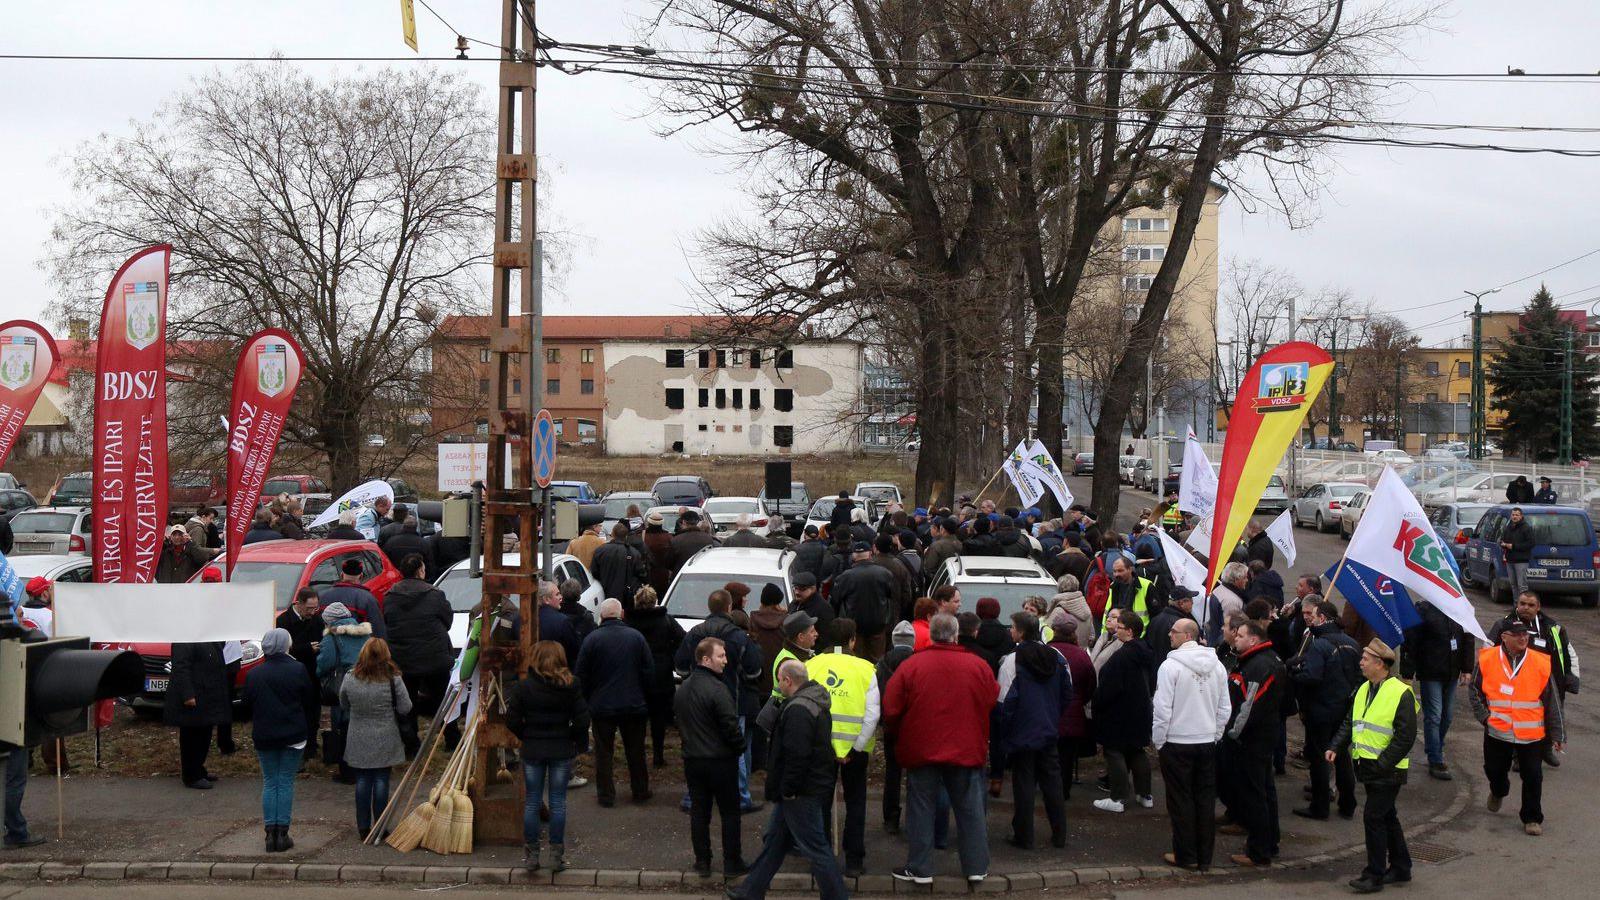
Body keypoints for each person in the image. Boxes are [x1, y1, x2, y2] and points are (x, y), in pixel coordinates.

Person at [884, 613, 996, 886]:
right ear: (957, 634)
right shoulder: (978, 665)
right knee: (970, 809)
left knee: (921, 808)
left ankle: (920, 867)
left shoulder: (912, 666)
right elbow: (992, 698)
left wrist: (900, 733)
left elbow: (891, 707)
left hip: (922, 748)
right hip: (966, 748)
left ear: (931, 635)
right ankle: (976, 866)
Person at [730, 660, 848, 900]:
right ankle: (750, 891)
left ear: (787, 680)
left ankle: (837, 896)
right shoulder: (813, 701)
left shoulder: (798, 710)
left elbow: (797, 755)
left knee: (815, 848)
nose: (778, 686)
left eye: (779, 681)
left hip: (800, 792)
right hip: (805, 788)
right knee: (775, 843)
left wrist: (788, 789)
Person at [1328, 639, 1417, 893]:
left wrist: (1383, 763)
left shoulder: (1400, 692)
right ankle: (1401, 866)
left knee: (1374, 817)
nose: (1361, 663)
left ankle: (1374, 874)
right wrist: (1335, 745)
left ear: (1380, 664)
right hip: (1368, 766)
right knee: (1387, 816)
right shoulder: (1364, 688)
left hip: (1387, 770)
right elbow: (1351, 720)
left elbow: (1405, 736)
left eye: (1365, 659)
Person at [674, 589, 765, 813]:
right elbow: (754, 671)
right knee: (738, 752)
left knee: (694, 749)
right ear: (729, 608)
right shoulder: (738, 636)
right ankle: (741, 797)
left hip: (698, 703)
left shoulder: (694, 634)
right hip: (733, 701)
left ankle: (692, 797)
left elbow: (680, 667)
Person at [1472, 620, 1564, 837]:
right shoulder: (1488, 658)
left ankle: (1532, 817)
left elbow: (1552, 701)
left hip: (1531, 734)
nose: (1523, 638)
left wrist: (1557, 733)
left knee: (1533, 775)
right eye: (1517, 634)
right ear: (1504, 637)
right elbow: (1475, 691)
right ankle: (1498, 790)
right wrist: (1485, 717)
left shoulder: (1539, 662)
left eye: (1525, 634)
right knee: (1494, 770)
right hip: (1497, 730)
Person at [1152, 618, 1231, 870]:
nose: (1169, 635)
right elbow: (1224, 707)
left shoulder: (1169, 667)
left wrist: (1159, 740)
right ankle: (1204, 856)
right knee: (1205, 799)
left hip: (1177, 741)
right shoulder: (1217, 666)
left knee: (1180, 799)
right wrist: (1215, 733)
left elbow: (1162, 708)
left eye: (1173, 631)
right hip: (1206, 740)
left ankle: (1185, 854)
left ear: (1187, 636)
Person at [805, 618, 882, 877]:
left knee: (820, 803)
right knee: (856, 801)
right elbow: (872, 715)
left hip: (819, 750)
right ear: (852, 640)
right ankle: (854, 861)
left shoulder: (810, 665)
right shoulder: (866, 669)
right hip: (854, 751)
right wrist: (854, 748)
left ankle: (821, 859)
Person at [506, 640, 590, 873]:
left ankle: (532, 854)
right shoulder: (571, 685)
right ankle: (556, 854)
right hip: (561, 748)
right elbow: (583, 719)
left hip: (533, 748)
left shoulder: (524, 687)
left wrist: (526, 735)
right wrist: (572, 738)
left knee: (532, 802)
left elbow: (512, 720)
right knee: (558, 802)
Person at [997, 612, 1071, 850]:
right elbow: (1067, 693)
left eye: (1013, 628)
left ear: (1020, 632)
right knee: (1052, 783)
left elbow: (1005, 700)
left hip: (1022, 730)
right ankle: (1059, 834)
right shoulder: (1058, 657)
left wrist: (1005, 732)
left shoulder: (1012, 661)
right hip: (1048, 728)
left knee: (1024, 784)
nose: (1010, 631)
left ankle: (1024, 835)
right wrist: (1053, 715)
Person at [676, 637, 749, 878]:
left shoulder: (684, 688)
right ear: (706, 659)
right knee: (730, 813)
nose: (726, 661)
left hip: (693, 760)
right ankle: (732, 861)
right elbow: (730, 725)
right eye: (721, 656)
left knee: (699, 812)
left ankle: (703, 861)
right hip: (720, 761)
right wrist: (739, 747)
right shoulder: (718, 689)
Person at [575, 599, 654, 807]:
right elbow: (648, 671)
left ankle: (606, 795)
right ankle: (640, 790)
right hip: (633, 704)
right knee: (636, 750)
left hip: (602, 706)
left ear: (601, 616)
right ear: (622, 614)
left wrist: (588, 698)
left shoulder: (592, 640)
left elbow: (581, 674)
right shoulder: (636, 638)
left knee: (604, 752)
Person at [244, 628, 316, 852]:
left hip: (265, 734)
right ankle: (282, 833)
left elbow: (247, 704)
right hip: (293, 734)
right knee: (285, 781)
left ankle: (270, 834)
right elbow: (309, 701)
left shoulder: (255, 674)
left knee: (270, 781)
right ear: (286, 645)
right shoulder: (298, 669)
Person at [1487, 591, 1577, 768]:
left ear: (1538, 607)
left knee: (1550, 715)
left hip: (1548, 681)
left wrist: (1571, 677)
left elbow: (1567, 653)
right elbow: (1489, 650)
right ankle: (1518, 756)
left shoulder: (1552, 627)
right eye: (1522, 604)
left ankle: (1546, 750)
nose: (1525, 608)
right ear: (1517, 604)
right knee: (1520, 719)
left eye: (1530, 605)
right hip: (1517, 683)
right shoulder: (1504, 624)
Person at [1224, 621, 1288, 868]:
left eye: (1239, 635)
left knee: (1256, 794)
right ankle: (1270, 841)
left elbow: (1250, 706)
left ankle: (1259, 850)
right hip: (1258, 736)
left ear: (1253, 640)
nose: (1235, 638)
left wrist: (1233, 733)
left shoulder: (1261, 665)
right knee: (1264, 791)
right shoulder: (1257, 660)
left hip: (1254, 740)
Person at [1289, 600, 1360, 820]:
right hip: (1344, 708)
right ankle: (1348, 803)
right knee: (1341, 756)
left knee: (1319, 758)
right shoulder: (1351, 643)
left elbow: (1312, 676)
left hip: (1321, 709)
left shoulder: (1320, 644)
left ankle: (1320, 807)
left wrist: (1294, 673)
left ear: (1322, 619)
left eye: (1315, 615)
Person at [337, 637, 411, 840]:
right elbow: (406, 707)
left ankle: (363, 827)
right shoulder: (392, 679)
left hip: (358, 733)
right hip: (385, 733)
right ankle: (381, 826)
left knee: (362, 780)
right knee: (381, 780)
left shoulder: (351, 677)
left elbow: (343, 702)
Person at [382, 554, 453, 751]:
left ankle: (410, 743)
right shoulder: (434, 594)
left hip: (403, 658)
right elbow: (448, 621)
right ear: (420, 571)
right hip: (434, 656)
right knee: (443, 700)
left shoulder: (390, 597)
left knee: (406, 703)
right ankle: (452, 738)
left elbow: (388, 622)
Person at [1401, 596, 1475, 780]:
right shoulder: (1424, 609)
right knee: (1434, 715)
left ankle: (1436, 747)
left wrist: (1466, 668)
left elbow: (1468, 637)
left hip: (1451, 672)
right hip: (1430, 671)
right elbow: (1411, 641)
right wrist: (1408, 671)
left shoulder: (1460, 608)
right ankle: (1435, 759)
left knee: (1447, 716)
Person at [1092, 609, 1155, 814]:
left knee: (1114, 751)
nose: (1115, 630)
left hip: (1119, 712)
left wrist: (1097, 704)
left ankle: (1117, 797)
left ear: (1129, 631)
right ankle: (1145, 794)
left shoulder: (1123, 656)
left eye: (1119, 627)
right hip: (1140, 709)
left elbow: (1109, 687)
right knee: (1137, 750)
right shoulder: (1145, 651)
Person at [624, 586, 686, 768]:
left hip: (635, 675)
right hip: (660, 674)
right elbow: (682, 638)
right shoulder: (665, 620)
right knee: (658, 719)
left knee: (638, 720)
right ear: (654, 601)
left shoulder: (630, 622)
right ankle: (658, 755)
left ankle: (638, 756)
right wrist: (671, 656)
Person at [165, 637, 232, 790]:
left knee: (204, 733)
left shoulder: (206, 634)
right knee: (192, 736)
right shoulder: (185, 636)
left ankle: (199, 769)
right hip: (194, 695)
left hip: (207, 693)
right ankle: (191, 775)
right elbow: (181, 666)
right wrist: (187, 694)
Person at [316, 602, 371, 782]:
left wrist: (318, 673)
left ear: (330, 622)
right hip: (367, 683)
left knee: (343, 727)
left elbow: (325, 663)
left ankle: (348, 772)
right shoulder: (365, 634)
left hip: (343, 686)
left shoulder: (331, 637)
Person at [1045, 609, 1096, 792]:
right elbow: (1091, 685)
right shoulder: (1082, 656)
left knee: (1047, 755)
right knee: (1066, 758)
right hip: (1073, 716)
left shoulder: (1046, 652)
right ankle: (1063, 791)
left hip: (1047, 714)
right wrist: (1079, 700)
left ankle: (1047, 789)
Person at [875, 620, 917, 835]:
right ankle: (915, 819)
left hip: (891, 724)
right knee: (915, 774)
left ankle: (890, 818)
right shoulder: (918, 662)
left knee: (893, 772)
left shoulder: (882, 663)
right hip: (913, 726)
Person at [275, 588, 325, 762]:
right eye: (309, 608)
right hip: (292, 673)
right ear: (299, 604)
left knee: (312, 712)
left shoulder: (317, 619)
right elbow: (282, 649)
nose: (312, 612)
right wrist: (306, 649)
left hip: (312, 674)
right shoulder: (283, 621)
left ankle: (310, 745)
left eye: (315, 608)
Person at [830, 542, 896, 661]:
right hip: (878, 625)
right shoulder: (884, 573)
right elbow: (892, 596)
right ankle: (876, 678)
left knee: (856, 660)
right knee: (877, 660)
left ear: (854, 556)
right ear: (870, 554)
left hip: (855, 627)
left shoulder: (846, 576)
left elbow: (835, 599)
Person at [321, 558, 387, 638]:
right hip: (360, 648)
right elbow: (378, 631)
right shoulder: (368, 599)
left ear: (342, 574)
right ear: (361, 576)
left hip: (330, 647)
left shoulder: (324, 596)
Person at [747, 583, 788, 700]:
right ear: (777, 602)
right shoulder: (786, 620)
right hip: (780, 676)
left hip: (758, 678)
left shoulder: (753, 619)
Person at [591, 523, 645, 609]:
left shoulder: (600, 551)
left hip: (605, 594)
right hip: (626, 598)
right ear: (626, 536)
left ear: (612, 534)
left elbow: (594, 572)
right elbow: (641, 574)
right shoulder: (634, 553)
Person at [1145, 586, 1197, 667]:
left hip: (1155, 670)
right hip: (1174, 669)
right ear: (1181, 603)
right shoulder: (1181, 625)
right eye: (1190, 600)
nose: (1192, 603)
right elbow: (1186, 652)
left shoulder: (1155, 619)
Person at [535, 580, 581, 666]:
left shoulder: (521, 618)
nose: (561, 597)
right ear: (546, 599)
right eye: (557, 594)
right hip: (556, 671)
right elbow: (574, 650)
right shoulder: (562, 621)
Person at [1205, 562, 1250, 648]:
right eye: (1245, 578)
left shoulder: (1220, 590)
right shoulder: (1231, 601)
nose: (1247, 580)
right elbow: (1229, 630)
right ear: (1236, 580)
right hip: (1222, 645)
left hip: (1214, 640)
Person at [1498, 507, 1536, 597]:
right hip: (1510, 560)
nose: (1514, 517)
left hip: (1521, 561)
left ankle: (1523, 605)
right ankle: (1516, 606)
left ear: (1521, 516)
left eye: (1517, 515)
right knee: (1513, 585)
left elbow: (1531, 543)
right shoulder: (1508, 527)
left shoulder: (1526, 528)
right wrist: (1502, 543)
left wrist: (1513, 546)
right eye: (1513, 515)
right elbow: (1502, 538)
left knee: (1522, 585)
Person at [974, 597, 1016, 672]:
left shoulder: (970, 634)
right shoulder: (1010, 636)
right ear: (998, 611)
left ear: (977, 611)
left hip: (976, 676)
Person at [641, 511, 675, 595]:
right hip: (664, 576)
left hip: (647, 575)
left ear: (649, 522)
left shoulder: (643, 536)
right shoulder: (668, 537)